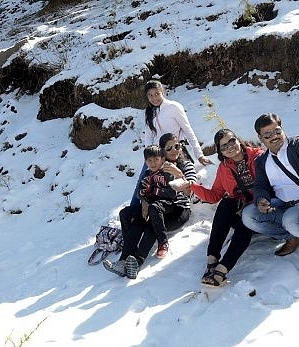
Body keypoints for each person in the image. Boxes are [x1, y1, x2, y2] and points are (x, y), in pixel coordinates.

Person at [241, 113, 299, 274]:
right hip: (283, 205)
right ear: (260, 138)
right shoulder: (261, 161)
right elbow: (261, 186)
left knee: (292, 217)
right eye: (268, 134)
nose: (274, 136)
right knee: (248, 215)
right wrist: (261, 199)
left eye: (277, 131)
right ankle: (294, 236)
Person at [104, 133, 197, 279]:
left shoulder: (186, 165)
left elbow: (191, 192)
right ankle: (124, 260)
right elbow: (143, 189)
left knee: (150, 225)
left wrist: (179, 175)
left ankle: (137, 262)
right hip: (155, 206)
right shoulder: (152, 169)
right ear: (162, 152)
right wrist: (145, 202)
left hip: (178, 209)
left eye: (177, 146)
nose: (175, 150)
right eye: (169, 148)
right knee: (136, 220)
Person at [188, 129, 264, 287]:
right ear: (220, 151)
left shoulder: (258, 157)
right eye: (224, 146)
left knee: (246, 216)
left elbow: (271, 186)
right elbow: (215, 195)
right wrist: (191, 186)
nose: (230, 147)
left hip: (263, 210)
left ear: (238, 140)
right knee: (226, 203)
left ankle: (223, 268)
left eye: (232, 141)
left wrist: (251, 204)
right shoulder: (224, 168)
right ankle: (212, 259)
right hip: (243, 210)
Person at [130, 80, 212, 206]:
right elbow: (149, 136)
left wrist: (199, 154)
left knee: (170, 182)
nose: (154, 98)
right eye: (150, 95)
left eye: (157, 94)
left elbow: (188, 130)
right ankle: (133, 212)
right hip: (157, 153)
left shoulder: (174, 107)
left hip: (174, 150)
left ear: (163, 92)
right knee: (142, 182)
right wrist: (148, 156)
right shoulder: (149, 112)